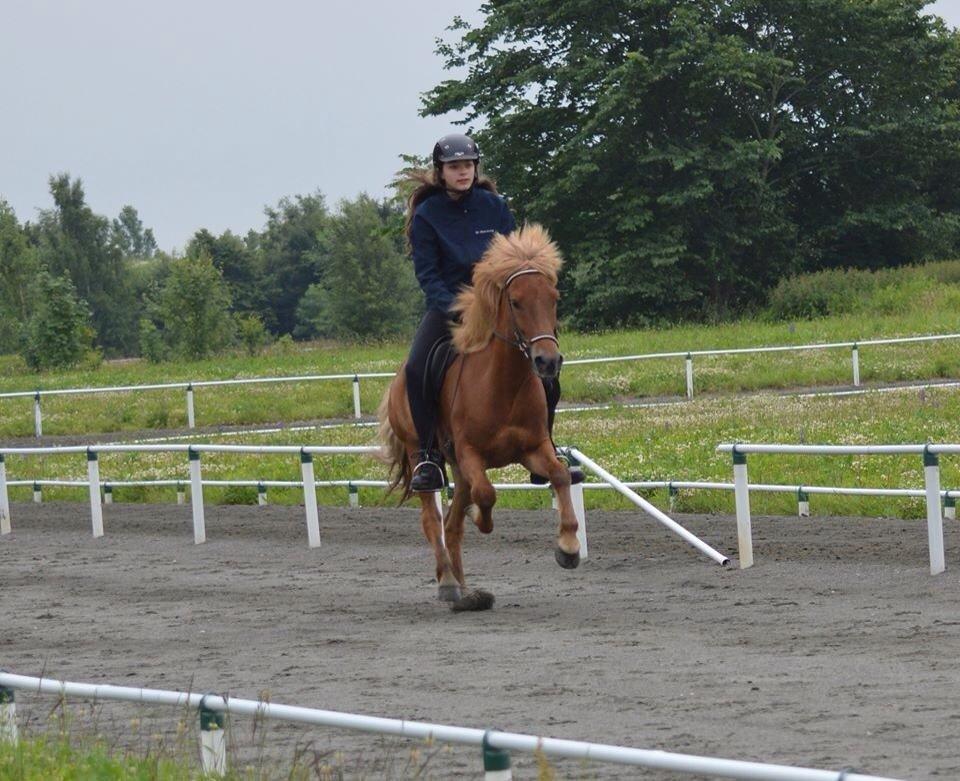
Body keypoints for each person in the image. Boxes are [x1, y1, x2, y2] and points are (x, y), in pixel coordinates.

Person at [403, 132, 581, 492]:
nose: (463, 172)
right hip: (450, 307)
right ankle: (428, 457)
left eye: (468, 165)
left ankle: (545, 447)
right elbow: (427, 274)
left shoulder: (494, 206)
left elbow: (512, 259)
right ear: (441, 171)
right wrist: (454, 308)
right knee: (416, 368)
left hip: (498, 305)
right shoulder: (427, 215)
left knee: (547, 367)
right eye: (455, 167)